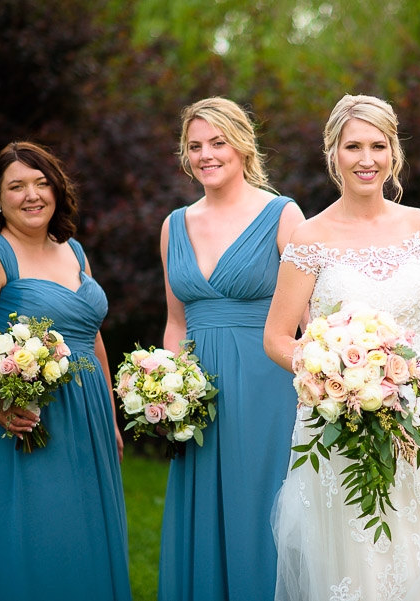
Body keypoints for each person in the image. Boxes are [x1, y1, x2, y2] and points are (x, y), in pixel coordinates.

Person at [264, 94, 420, 600]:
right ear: (333, 153)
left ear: (393, 153)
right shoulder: (310, 237)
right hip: (342, 419)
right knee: (361, 554)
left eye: (378, 146)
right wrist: (331, 376)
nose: (367, 159)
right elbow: (276, 338)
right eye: (353, 146)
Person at [0, 142, 132, 600]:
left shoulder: (73, 250)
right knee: (39, 537)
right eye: (16, 186)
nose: (32, 195)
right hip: (27, 418)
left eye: (41, 183)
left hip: (88, 417)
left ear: (57, 189)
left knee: (86, 537)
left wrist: (110, 418)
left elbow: (91, 335)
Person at [157, 96, 305, 601]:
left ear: (242, 145)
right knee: (204, 510)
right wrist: (170, 391)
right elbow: (176, 322)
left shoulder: (282, 214)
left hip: (267, 387)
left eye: (217, 142)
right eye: (195, 145)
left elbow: (310, 317)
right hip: (197, 395)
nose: (206, 155)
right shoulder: (174, 225)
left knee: (261, 507)